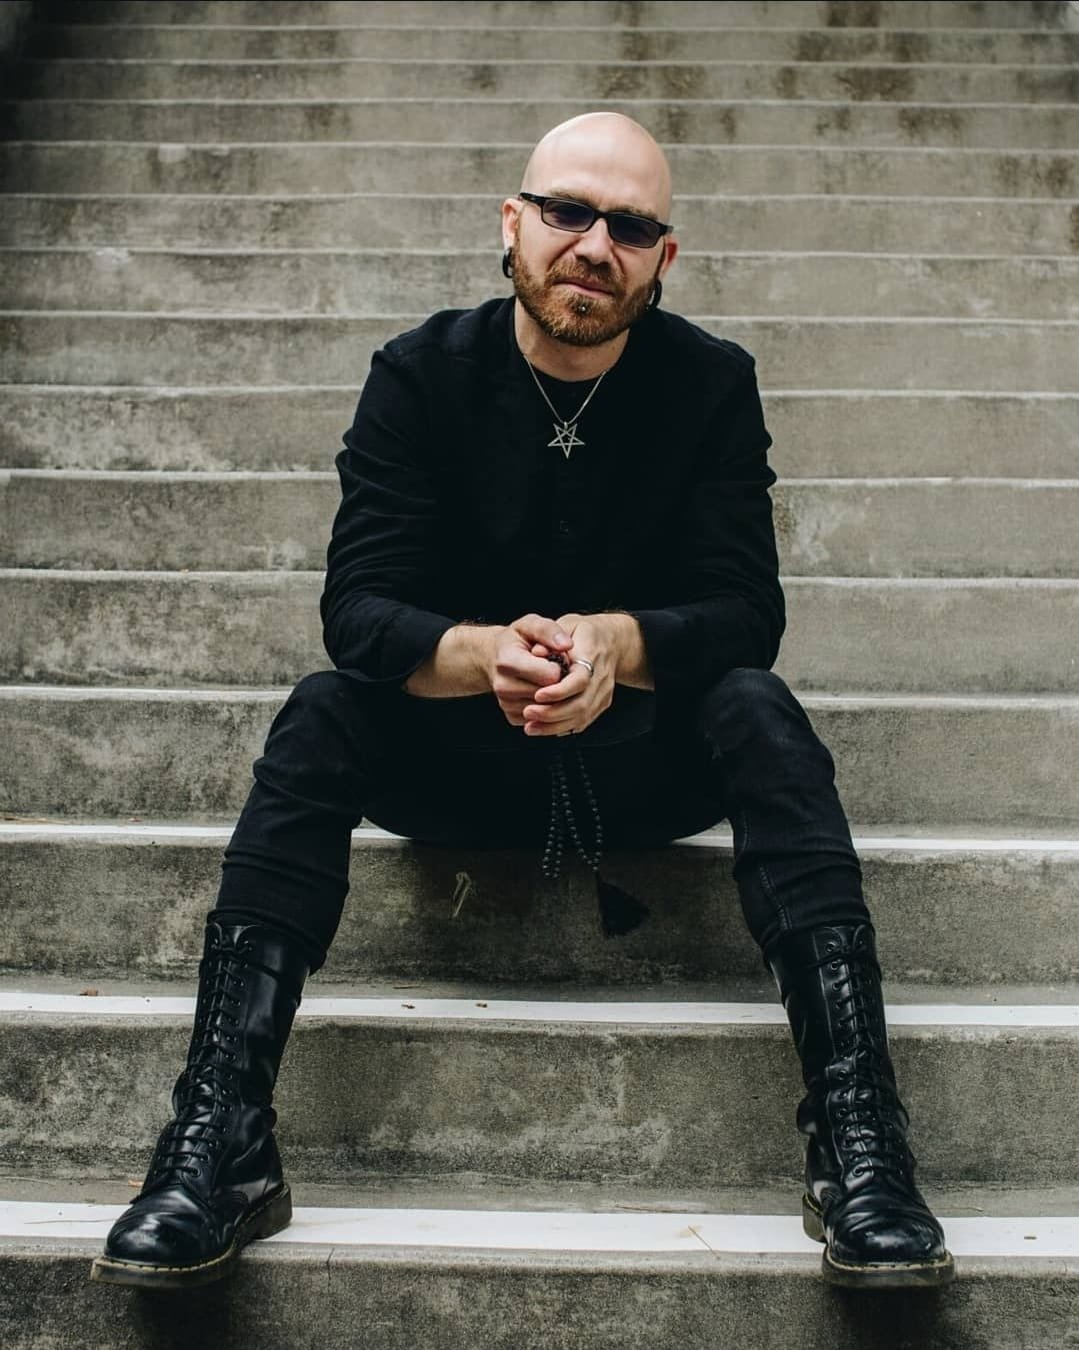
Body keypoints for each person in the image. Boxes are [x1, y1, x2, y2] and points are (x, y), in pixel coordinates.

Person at [91, 112, 954, 1292]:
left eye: (629, 227)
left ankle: (860, 1141)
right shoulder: (417, 375)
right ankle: (219, 1136)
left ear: (662, 256)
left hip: (639, 770)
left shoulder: (710, 384)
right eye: (566, 212)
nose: (593, 245)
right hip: (453, 766)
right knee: (321, 709)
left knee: (758, 706)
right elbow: (358, 612)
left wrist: (614, 644)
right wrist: (483, 654)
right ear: (512, 222)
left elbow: (744, 612)